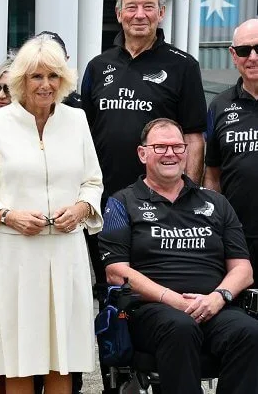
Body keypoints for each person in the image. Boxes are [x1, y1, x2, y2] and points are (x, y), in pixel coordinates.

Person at [0, 34, 103, 393]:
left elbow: (93, 182)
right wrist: (9, 215)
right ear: (20, 81)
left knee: (63, 360)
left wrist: (81, 208)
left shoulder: (77, 120)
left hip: (65, 255)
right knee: (19, 360)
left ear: (64, 81)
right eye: (36, 77)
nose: (45, 85)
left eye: (53, 76)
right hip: (15, 258)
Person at [99, 118, 258, 394]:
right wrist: (172, 299)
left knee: (250, 333)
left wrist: (217, 298)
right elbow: (116, 271)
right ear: (142, 153)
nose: (170, 153)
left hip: (212, 306)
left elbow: (243, 270)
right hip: (154, 311)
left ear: (187, 152)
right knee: (180, 327)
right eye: (160, 147)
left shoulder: (216, 202)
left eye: (177, 147)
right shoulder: (121, 202)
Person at [81, 0, 206, 304]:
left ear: (161, 12)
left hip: (160, 201)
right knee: (111, 285)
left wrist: (188, 194)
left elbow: (193, 135)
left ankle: (145, 353)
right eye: (132, 7)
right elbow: (84, 134)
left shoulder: (183, 66)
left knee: (154, 290)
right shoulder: (97, 66)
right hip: (105, 200)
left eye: (148, 7)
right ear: (119, 13)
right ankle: (114, 345)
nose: (140, 14)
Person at [204, 18, 258, 287]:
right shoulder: (219, 106)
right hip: (238, 236)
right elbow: (212, 173)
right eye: (245, 50)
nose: (254, 57)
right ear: (233, 55)